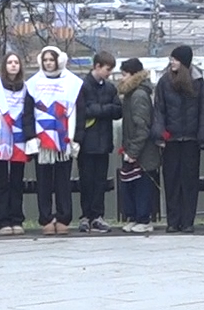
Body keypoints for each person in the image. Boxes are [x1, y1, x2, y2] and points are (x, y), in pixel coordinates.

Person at [26, 45, 81, 235]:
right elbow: (27, 113)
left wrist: (76, 138)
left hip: (64, 140)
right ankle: (46, 218)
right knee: (43, 182)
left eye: (52, 60)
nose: (49, 63)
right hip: (42, 142)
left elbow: (77, 110)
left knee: (63, 181)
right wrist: (30, 137)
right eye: (46, 60)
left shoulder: (72, 82)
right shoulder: (32, 83)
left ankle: (64, 217)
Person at [155, 46, 204, 233]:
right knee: (171, 181)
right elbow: (159, 110)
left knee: (189, 181)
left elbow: (203, 110)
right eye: (171, 59)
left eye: (175, 59)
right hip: (171, 140)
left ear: (184, 62)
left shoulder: (198, 82)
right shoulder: (164, 82)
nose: (172, 62)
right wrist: (160, 134)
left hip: (191, 139)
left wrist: (203, 135)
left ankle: (187, 221)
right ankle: (172, 220)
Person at [0, 52, 34, 234]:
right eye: (10, 62)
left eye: (16, 62)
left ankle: (17, 219)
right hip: (0, 142)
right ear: (4, 66)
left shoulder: (27, 89)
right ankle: (2, 221)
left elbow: (29, 116)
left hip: (19, 142)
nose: (13, 65)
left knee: (17, 181)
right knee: (2, 181)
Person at [76, 51, 123, 233]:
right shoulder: (83, 86)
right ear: (97, 66)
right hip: (86, 142)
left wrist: (99, 110)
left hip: (104, 142)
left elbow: (118, 110)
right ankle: (85, 215)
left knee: (100, 181)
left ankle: (97, 215)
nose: (109, 73)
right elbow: (84, 110)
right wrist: (105, 110)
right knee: (86, 180)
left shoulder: (110, 88)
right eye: (107, 69)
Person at [117, 58, 159, 233]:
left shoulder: (138, 95)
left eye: (124, 74)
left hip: (142, 153)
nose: (121, 78)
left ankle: (143, 218)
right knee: (132, 184)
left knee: (142, 186)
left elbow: (142, 127)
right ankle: (134, 217)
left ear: (133, 75)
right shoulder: (131, 94)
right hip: (132, 149)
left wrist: (133, 151)